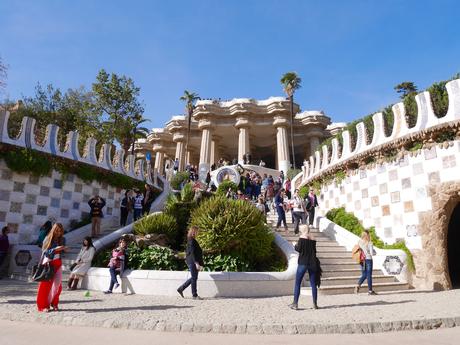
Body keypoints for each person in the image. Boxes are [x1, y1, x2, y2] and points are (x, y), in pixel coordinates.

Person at [36, 223, 67, 312]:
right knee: (45, 286)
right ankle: (42, 306)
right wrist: (55, 249)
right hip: (48, 262)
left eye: (60, 231)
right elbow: (45, 252)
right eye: (57, 230)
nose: (58, 233)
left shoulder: (63, 239)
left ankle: (54, 303)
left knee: (58, 286)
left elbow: (61, 251)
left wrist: (64, 249)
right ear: (53, 230)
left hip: (58, 263)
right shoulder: (47, 238)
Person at [289, 224, 321, 310]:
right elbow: (314, 251)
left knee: (298, 283)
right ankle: (315, 304)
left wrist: (294, 245)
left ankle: (295, 304)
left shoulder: (302, 237)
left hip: (303, 262)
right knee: (313, 284)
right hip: (313, 262)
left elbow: (298, 249)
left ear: (302, 230)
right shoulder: (313, 238)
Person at [177, 226, 204, 300]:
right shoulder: (191, 240)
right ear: (194, 232)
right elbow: (192, 253)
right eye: (197, 231)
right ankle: (194, 295)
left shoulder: (191, 240)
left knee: (194, 278)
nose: (198, 233)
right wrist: (196, 263)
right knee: (194, 278)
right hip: (192, 262)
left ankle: (181, 289)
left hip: (192, 261)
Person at [354, 230, 377, 295]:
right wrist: (375, 252)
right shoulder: (369, 243)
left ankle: (358, 285)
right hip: (368, 260)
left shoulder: (359, 242)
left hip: (361, 260)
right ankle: (370, 291)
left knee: (364, 274)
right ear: (368, 235)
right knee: (369, 275)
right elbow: (372, 253)